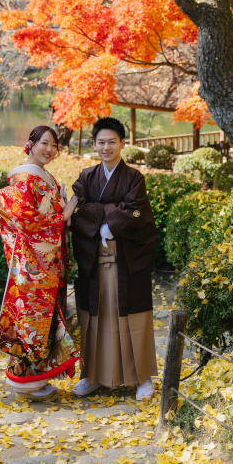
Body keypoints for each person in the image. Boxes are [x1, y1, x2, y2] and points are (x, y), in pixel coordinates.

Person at [69, 117, 158, 400]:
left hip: (127, 261)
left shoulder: (134, 178)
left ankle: (142, 377)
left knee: (131, 319)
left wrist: (102, 219)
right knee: (96, 320)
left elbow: (137, 213)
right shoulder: (85, 177)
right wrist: (110, 215)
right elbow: (77, 210)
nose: (106, 147)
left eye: (112, 142)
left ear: (122, 143)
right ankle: (92, 375)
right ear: (93, 144)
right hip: (94, 260)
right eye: (101, 142)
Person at [0, 125, 80, 399]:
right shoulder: (24, 178)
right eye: (44, 143)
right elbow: (27, 222)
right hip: (32, 263)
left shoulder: (42, 177)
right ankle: (25, 382)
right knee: (31, 320)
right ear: (29, 144)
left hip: (46, 260)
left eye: (54, 146)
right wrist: (63, 215)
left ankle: (36, 379)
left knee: (44, 320)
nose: (50, 150)